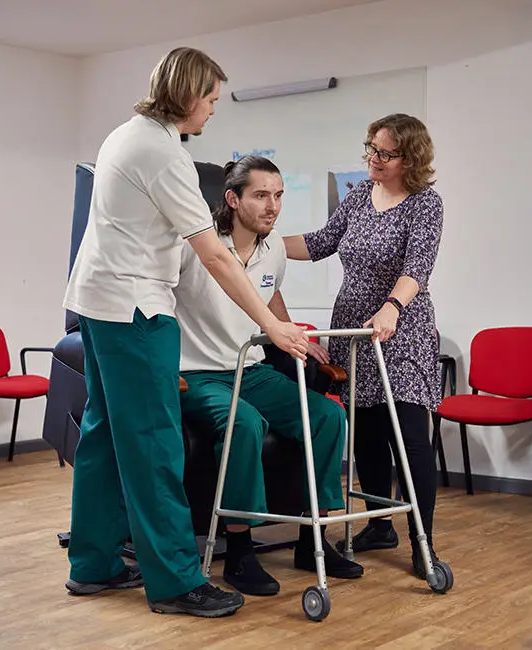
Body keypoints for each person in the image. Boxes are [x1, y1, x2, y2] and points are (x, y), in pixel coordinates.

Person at [62, 47, 309, 618]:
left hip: (96, 301)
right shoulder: (163, 154)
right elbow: (215, 256)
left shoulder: (124, 135)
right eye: (211, 99)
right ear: (188, 93)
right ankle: (175, 581)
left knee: (104, 434)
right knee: (154, 443)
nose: (213, 110)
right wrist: (272, 323)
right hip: (135, 309)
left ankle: (94, 563)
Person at [173, 155, 364, 597]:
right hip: (197, 374)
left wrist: (291, 332)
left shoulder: (273, 245)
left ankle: (312, 539)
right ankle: (240, 551)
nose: (272, 206)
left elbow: (269, 291)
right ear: (232, 199)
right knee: (244, 424)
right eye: (261, 195)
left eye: (278, 195)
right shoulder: (197, 244)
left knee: (328, 417)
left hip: (251, 368)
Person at [283, 113, 446, 578]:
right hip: (354, 330)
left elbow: (418, 267)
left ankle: (424, 543)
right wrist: (260, 240)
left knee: (410, 437)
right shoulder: (359, 196)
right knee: (368, 433)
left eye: (385, 153)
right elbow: (320, 242)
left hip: (401, 329)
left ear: (409, 158)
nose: (373, 158)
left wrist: (392, 306)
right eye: (371, 148)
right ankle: (380, 526)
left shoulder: (425, 204)